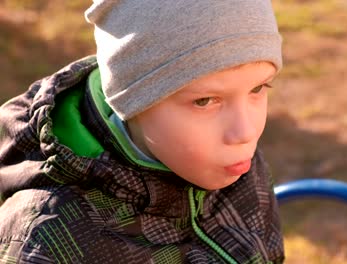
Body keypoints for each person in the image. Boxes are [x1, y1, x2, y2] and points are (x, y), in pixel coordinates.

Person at [0, 0, 284, 263]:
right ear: (130, 101)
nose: (245, 132)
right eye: (204, 101)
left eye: (257, 88)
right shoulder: (46, 242)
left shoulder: (234, 164)